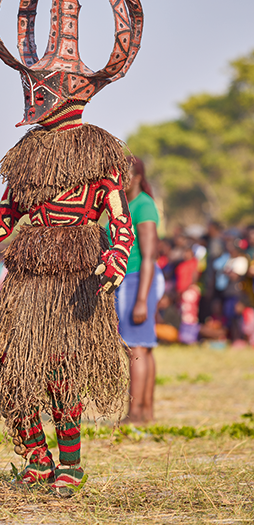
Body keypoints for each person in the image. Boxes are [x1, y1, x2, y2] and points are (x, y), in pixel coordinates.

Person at [0, 0, 143, 495]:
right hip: (26, 281)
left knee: (60, 369)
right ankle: (38, 460)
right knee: (7, 369)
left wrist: (115, 260)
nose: (34, 96)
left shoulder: (98, 150)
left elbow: (120, 221)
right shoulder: (25, 156)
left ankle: (69, 466)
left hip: (75, 284)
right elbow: (3, 219)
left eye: (42, 88)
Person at [115, 157, 164, 424]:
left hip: (138, 279)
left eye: (124, 174)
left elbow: (148, 256)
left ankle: (135, 413)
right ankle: (145, 412)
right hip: (133, 280)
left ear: (135, 178)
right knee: (143, 348)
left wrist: (141, 299)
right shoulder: (128, 205)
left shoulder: (143, 206)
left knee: (136, 348)